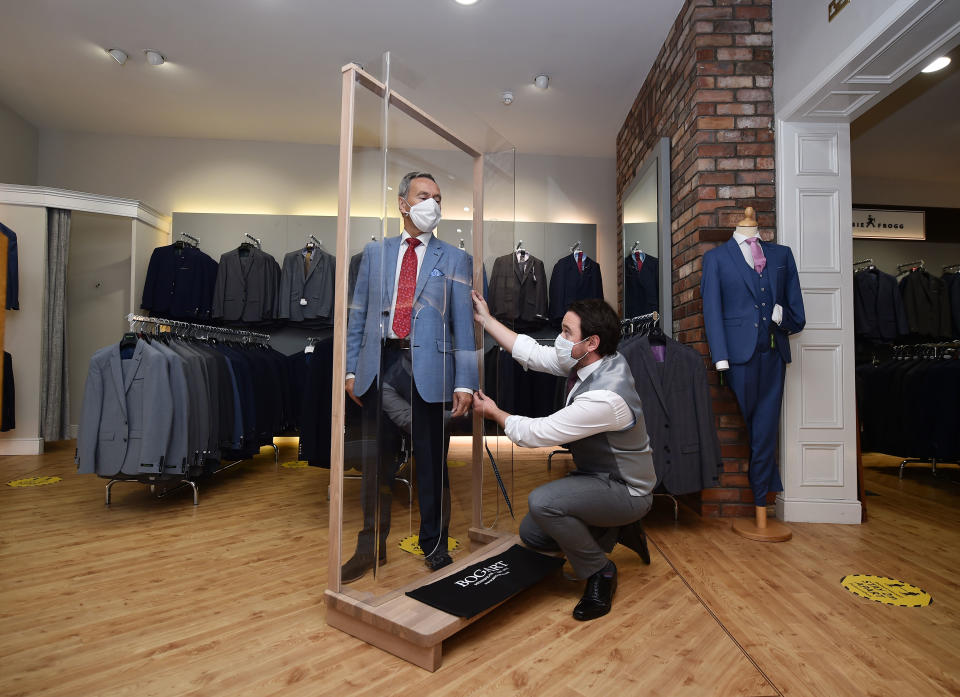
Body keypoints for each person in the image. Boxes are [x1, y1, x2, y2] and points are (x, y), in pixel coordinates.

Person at [472, 293, 655, 621]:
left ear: (590, 342)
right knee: (533, 533)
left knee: (543, 503)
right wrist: (486, 320)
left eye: (567, 332)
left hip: (626, 488)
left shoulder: (606, 397)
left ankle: (600, 572)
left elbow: (538, 433)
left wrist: (495, 413)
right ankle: (615, 529)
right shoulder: (594, 358)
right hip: (599, 477)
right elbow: (532, 352)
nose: (559, 339)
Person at [342, 171, 477, 581]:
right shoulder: (374, 254)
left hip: (432, 372)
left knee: (432, 463)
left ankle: (434, 544)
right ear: (403, 204)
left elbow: (464, 326)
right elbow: (359, 315)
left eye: (438, 197)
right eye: (424, 195)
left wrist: (465, 380)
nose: (432, 203)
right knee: (375, 465)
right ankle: (371, 546)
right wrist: (350, 368)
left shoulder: (455, 259)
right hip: (380, 367)